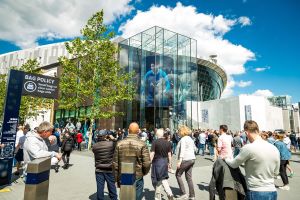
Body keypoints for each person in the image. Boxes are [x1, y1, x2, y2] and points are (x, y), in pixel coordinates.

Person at [225, 120, 280, 200]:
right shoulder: (274, 148)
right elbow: (276, 172)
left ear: (246, 133)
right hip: (272, 191)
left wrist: (226, 158)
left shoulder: (248, 148)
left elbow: (234, 164)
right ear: (257, 130)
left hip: (255, 191)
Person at [113, 122, 151, 200]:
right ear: (138, 131)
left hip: (124, 174)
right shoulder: (142, 144)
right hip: (138, 175)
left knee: (126, 197)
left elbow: (115, 163)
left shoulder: (119, 144)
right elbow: (147, 163)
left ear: (128, 130)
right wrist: (144, 172)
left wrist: (116, 179)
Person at [92, 130, 118, 200]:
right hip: (109, 169)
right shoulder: (111, 144)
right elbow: (118, 144)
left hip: (99, 169)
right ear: (106, 136)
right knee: (112, 187)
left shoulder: (94, 146)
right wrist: (113, 138)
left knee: (100, 188)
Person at [150, 128, 175, 200]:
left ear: (157, 134)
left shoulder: (155, 142)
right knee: (163, 179)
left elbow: (152, 154)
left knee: (157, 180)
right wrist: (170, 164)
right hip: (165, 162)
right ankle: (170, 194)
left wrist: (148, 163)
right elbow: (169, 154)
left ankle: (157, 197)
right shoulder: (168, 142)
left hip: (157, 162)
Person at [176, 125, 197, 200]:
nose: (178, 132)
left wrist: (179, 161)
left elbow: (182, 151)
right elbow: (195, 148)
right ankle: (192, 195)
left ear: (182, 131)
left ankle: (183, 193)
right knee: (189, 178)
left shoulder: (183, 139)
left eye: (179, 131)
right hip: (192, 159)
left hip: (186, 159)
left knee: (178, 175)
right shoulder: (190, 139)